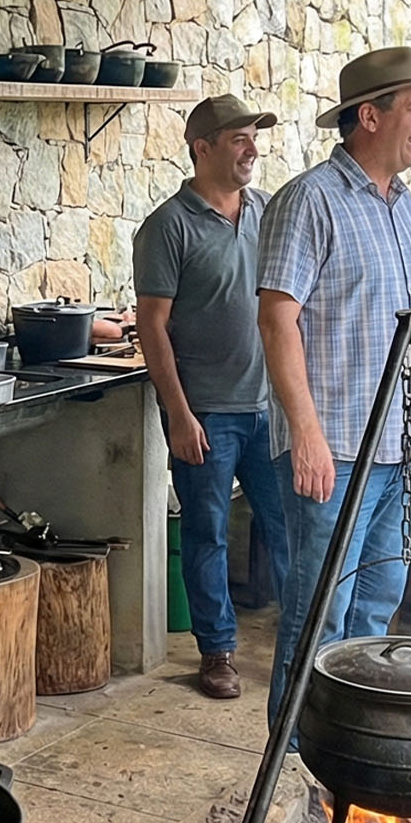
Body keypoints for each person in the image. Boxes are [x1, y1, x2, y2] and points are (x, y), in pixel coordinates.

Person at [258, 46, 411, 723]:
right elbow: (277, 318)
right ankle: (291, 748)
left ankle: (350, 740)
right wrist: (305, 435)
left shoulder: (405, 208)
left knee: (377, 602)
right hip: (337, 450)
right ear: (369, 116)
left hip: (402, 451)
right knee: (322, 607)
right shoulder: (309, 200)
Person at [135, 94, 291, 700]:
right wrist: (178, 414)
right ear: (202, 149)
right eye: (239, 139)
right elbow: (152, 327)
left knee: (292, 529)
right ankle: (218, 652)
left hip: (272, 408)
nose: (252, 149)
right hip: (206, 413)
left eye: (255, 138)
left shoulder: (268, 212)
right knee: (207, 534)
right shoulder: (167, 227)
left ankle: (306, 644)